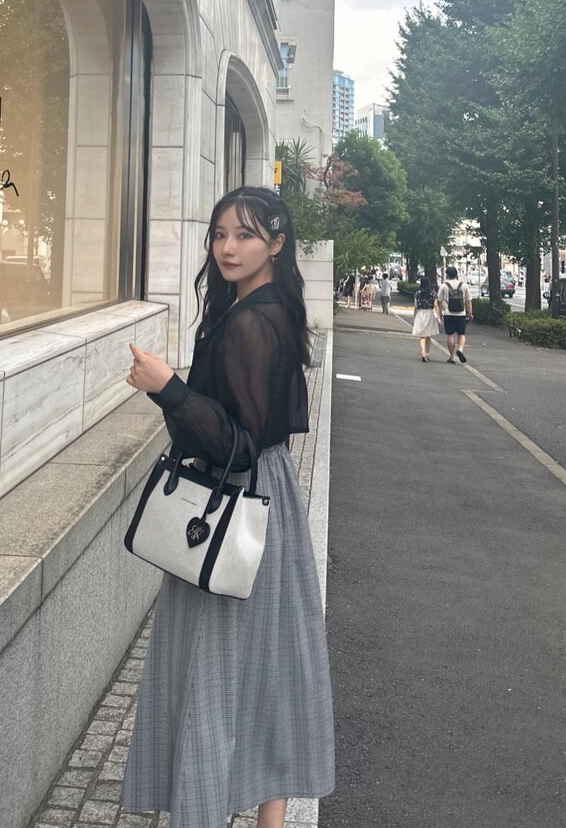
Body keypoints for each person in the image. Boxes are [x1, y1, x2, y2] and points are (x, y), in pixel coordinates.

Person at [121, 185, 335, 828]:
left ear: (277, 243)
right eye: (219, 234)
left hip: (232, 508)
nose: (227, 247)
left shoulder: (250, 321)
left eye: (244, 235)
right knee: (274, 665)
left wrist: (168, 389)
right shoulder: (268, 307)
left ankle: (203, 808)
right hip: (267, 502)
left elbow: (236, 443)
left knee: (215, 673)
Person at [437, 265, 473, 364]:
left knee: (450, 334)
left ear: (447, 275)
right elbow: (468, 301)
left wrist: (440, 313)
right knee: (461, 334)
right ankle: (460, 349)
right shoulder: (464, 286)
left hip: (448, 313)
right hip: (461, 313)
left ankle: (452, 357)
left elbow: (439, 301)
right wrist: (470, 313)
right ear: (457, 274)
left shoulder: (444, 286)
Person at [411, 275, 442, 361]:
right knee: (428, 335)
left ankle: (423, 352)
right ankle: (427, 353)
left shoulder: (417, 293)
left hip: (421, 313)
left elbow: (415, 306)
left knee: (422, 336)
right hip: (430, 313)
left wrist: (414, 316)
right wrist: (438, 317)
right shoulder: (432, 293)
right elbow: (435, 305)